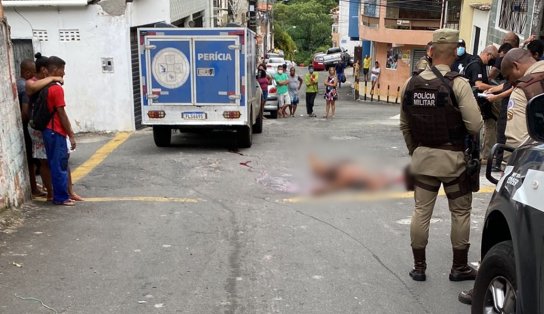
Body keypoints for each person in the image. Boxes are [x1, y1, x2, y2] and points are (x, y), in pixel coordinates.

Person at [458, 48, 544, 306]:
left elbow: (521, 141)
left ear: (517, 66)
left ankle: (488, 283)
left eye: (512, 77)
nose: (513, 82)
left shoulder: (526, 89)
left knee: (508, 246)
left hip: (533, 180)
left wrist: (509, 172)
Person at [400, 28, 483, 282]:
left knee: (421, 211)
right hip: (454, 161)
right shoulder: (458, 83)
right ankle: (459, 268)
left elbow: (405, 125)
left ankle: (419, 267)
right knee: (460, 212)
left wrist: (417, 151)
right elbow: (475, 125)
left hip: (423, 158)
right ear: (454, 54)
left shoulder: (410, 83)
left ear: (431, 51)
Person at [26, 54, 63, 202]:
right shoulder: (31, 82)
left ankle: (57, 190)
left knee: (54, 159)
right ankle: (50, 193)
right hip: (38, 126)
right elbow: (32, 88)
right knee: (44, 161)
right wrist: (54, 79)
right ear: (44, 69)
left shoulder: (47, 83)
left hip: (47, 125)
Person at [41, 56, 77, 206]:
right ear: (55, 70)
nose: (64, 73)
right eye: (63, 69)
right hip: (56, 131)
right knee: (59, 164)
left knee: (54, 163)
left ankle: (59, 195)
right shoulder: (56, 89)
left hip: (48, 131)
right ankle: (61, 197)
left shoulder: (44, 86)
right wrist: (71, 135)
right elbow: (61, 113)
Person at [462, 45, 499, 163]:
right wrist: (495, 88)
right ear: (488, 55)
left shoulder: (480, 65)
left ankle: (484, 153)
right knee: (481, 126)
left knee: (490, 124)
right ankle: (481, 154)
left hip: (480, 101)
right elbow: (479, 85)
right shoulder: (476, 65)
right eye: (492, 58)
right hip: (475, 101)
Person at [18, 59, 45, 197]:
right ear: (28, 72)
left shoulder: (18, 83)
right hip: (26, 127)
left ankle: (34, 185)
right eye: (34, 73)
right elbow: (25, 112)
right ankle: (34, 188)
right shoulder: (24, 87)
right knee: (32, 159)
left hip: (22, 127)